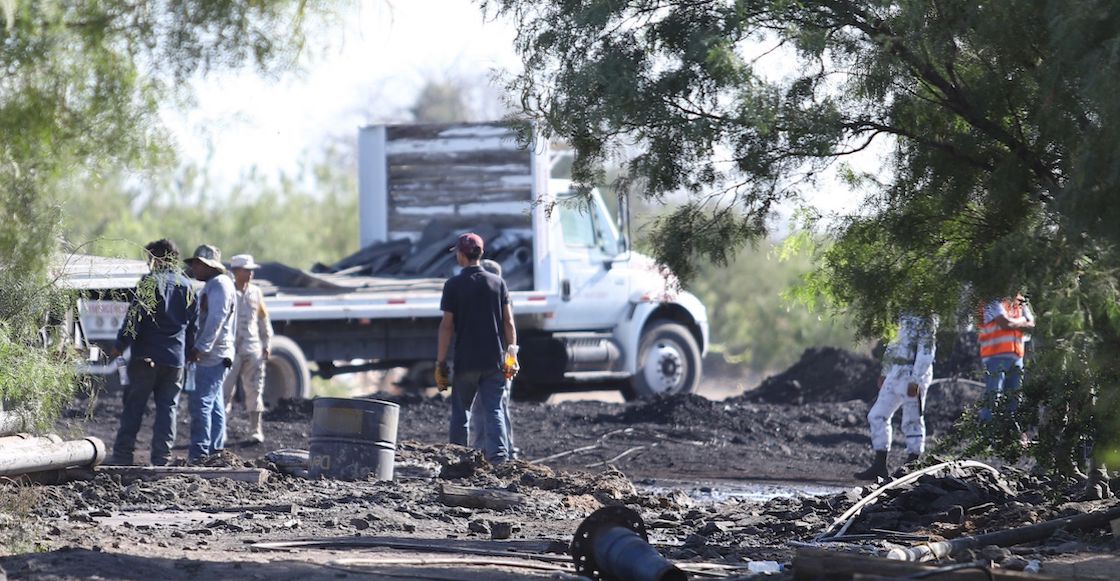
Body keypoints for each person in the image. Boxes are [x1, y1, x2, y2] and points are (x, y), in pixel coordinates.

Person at [106, 239, 198, 466]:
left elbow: (134, 319)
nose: (149, 263)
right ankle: (162, 458)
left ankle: (122, 456)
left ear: (158, 258)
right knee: (168, 409)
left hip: (146, 357)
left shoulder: (149, 283)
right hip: (175, 360)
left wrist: (120, 345)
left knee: (134, 406)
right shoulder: (187, 286)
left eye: (151, 258)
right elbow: (193, 326)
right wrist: (189, 352)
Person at [436, 233, 519, 463]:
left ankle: (457, 459)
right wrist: (511, 355)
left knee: (461, 411)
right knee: (495, 409)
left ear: (461, 255)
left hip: (466, 361)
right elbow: (508, 322)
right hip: (494, 360)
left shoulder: (453, 285)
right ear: (481, 253)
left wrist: (440, 363)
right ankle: (499, 460)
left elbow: (446, 326)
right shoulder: (498, 283)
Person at [854, 314, 938, 481]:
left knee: (912, 419)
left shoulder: (926, 317)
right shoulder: (902, 313)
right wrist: (885, 371)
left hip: (912, 375)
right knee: (877, 415)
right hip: (895, 373)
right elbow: (894, 343)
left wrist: (916, 380)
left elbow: (926, 352)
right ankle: (880, 464)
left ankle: (912, 464)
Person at [185, 244, 237, 463]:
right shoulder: (217, 284)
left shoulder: (219, 285)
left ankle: (199, 453)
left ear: (210, 266)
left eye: (199, 264)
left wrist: (201, 347)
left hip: (213, 355)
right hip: (217, 353)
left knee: (201, 404)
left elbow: (216, 318)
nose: (195, 268)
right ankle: (215, 452)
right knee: (214, 404)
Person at [221, 254, 273, 444]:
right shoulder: (227, 291)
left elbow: (263, 319)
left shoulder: (256, 292)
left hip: (252, 348)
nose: (250, 274)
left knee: (255, 389)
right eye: (246, 270)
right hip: (231, 349)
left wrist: (267, 343)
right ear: (236, 271)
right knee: (225, 391)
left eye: (251, 271)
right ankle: (220, 431)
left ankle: (255, 429)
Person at [468, 259, 517, 459]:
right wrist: (511, 359)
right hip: (502, 358)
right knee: (497, 406)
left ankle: (490, 451)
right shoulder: (501, 296)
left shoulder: (488, 298)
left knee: (491, 407)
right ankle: (502, 450)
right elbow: (509, 329)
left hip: (494, 359)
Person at [977, 294, 1034, 423]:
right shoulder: (992, 298)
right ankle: (986, 429)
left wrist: (1014, 322)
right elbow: (1005, 323)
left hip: (1017, 356)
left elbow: (1031, 323)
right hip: (995, 355)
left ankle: (1011, 431)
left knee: (1014, 399)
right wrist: (1022, 321)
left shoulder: (1020, 300)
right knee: (993, 396)